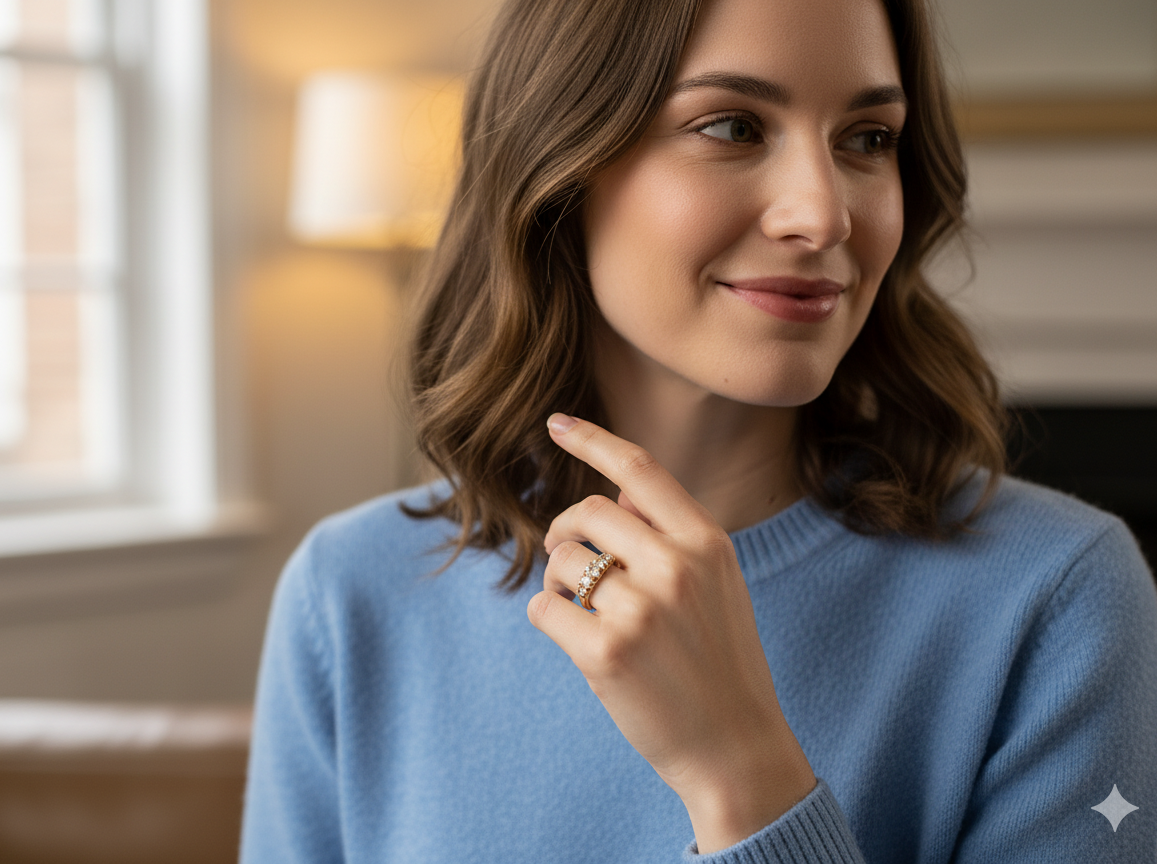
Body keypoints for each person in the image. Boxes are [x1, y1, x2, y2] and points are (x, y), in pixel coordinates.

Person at [240, 0, 1157, 860]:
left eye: (868, 138)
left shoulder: (1058, 598)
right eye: (732, 126)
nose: (823, 214)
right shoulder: (349, 591)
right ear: (559, 164)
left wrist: (739, 772)